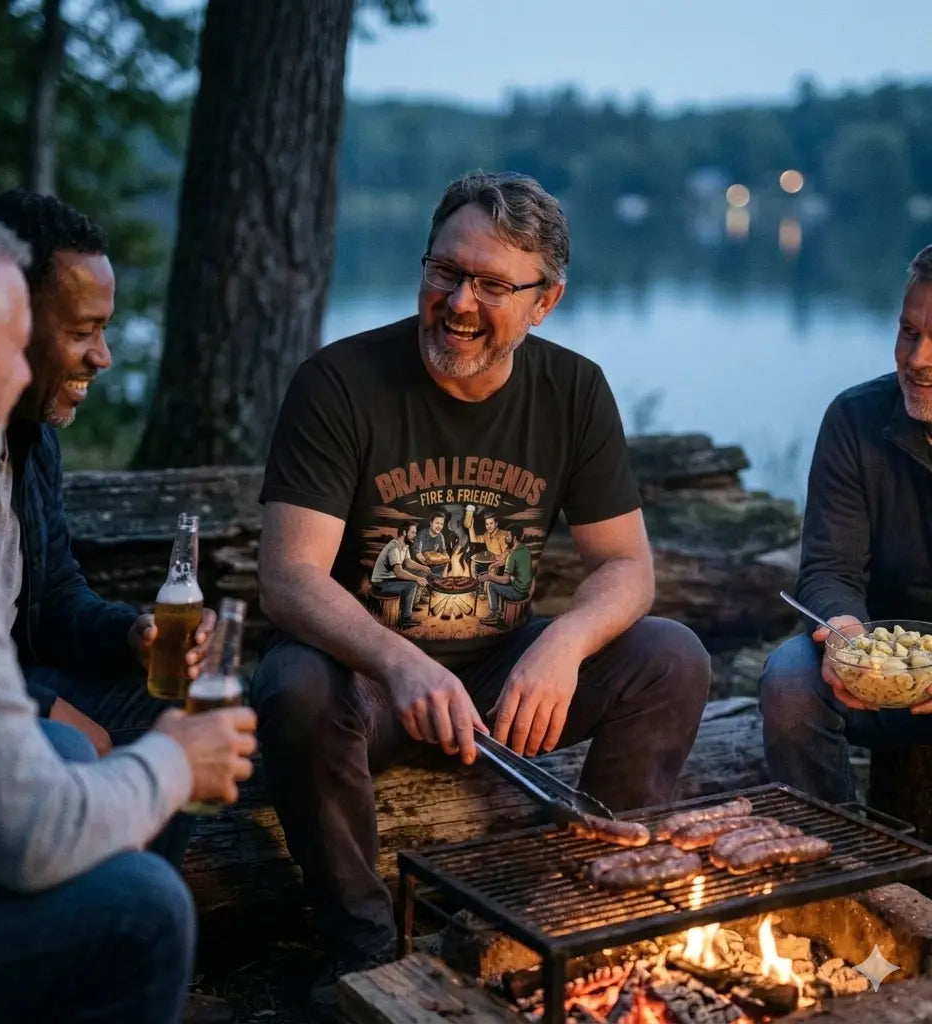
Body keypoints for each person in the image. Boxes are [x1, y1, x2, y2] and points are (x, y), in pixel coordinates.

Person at [252, 170, 711, 1020]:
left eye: (492, 285)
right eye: (444, 272)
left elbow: (626, 568)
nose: (459, 302)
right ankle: (363, 951)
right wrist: (398, 664)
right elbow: (289, 577)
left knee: (671, 657)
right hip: (370, 688)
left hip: (501, 682)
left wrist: (562, 644)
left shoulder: (573, 391)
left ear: (546, 301)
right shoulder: (340, 383)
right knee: (295, 684)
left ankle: (583, 911)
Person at [0, 197, 257, 1024]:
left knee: (141, 700)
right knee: (142, 907)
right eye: (13, 346)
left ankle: (81, 956)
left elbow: (54, 593)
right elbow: (26, 831)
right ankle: (102, 946)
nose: (29, 370)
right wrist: (171, 762)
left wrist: (135, 633)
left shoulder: (20, 445)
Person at [0, 189, 215, 759]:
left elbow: (55, 595)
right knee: (70, 747)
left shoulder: (32, 437)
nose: (103, 356)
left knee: (190, 709)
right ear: (9, 320)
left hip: (12, 685)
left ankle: (131, 850)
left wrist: (132, 635)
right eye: (82, 331)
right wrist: (42, 709)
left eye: (106, 329)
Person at [759, 244, 932, 804]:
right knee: (789, 680)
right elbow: (829, 569)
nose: (918, 358)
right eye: (909, 332)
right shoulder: (854, 420)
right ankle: (838, 858)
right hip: (879, 669)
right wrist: (846, 638)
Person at [369, 522, 430, 628]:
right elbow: (399, 572)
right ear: (404, 532)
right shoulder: (394, 548)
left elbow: (407, 562)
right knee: (411, 584)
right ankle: (405, 620)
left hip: (390, 581)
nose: (415, 535)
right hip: (380, 584)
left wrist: (423, 567)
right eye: (413, 532)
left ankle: (405, 615)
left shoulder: (404, 545)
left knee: (412, 583)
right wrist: (417, 578)